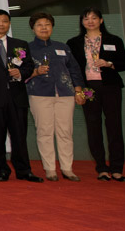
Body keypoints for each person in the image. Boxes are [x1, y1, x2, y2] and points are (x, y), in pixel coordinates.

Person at [66, 7, 125, 182]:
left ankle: (117, 169)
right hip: (88, 88)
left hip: (110, 86)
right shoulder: (73, 43)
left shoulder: (114, 40)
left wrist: (109, 63)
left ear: (101, 20)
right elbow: (71, 68)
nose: (90, 21)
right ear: (82, 22)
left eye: (94, 18)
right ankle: (101, 168)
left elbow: (124, 63)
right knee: (93, 126)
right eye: (86, 18)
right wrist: (77, 90)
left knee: (114, 126)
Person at [0, 9, 42, 183]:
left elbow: (29, 66)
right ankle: (1, 170)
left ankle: (24, 170)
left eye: (5, 21)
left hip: (17, 97)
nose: (1, 24)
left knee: (19, 136)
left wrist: (20, 73)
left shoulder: (20, 44)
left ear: (9, 24)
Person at [27, 12, 85, 182]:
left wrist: (79, 91)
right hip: (39, 94)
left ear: (52, 27)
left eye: (47, 24)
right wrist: (35, 72)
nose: (44, 28)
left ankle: (67, 168)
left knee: (65, 132)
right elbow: (21, 73)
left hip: (65, 94)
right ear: (33, 28)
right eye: (39, 25)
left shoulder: (63, 47)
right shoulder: (27, 49)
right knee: (44, 131)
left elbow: (74, 70)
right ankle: (50, 169)